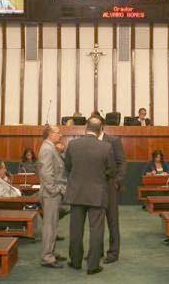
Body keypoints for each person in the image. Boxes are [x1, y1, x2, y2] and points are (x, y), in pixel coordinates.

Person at [64, 116, 115, 275]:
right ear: (100, 130)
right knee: (96, 230)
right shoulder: (106, 147)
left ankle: (75, 262)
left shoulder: (72, 145)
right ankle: (93, 266)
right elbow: (112, 171)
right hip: (97, 194)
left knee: (75, 230)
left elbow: (68, 167)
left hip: (76, 193)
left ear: (86, 128)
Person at [37, 125, 67, 269]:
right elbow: (46, 173)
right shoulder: (47, 149)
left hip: (52, 193)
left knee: (53, 225)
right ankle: (47, 257)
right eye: (57, 132)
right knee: (49, 226)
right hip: (50, 194)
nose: (60, 135)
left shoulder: (51, 147)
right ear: (50, 134)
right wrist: (55, 190)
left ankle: (51, 252)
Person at [99, 116, 126, 264]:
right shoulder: (90, 141)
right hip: (93, 187)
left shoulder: (113, 141)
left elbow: (122, 162)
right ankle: (97, 251)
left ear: (102, 126)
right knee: (96, 222)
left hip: (110, 187)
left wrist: (117, 181)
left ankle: (113, 252)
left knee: (112, 221)